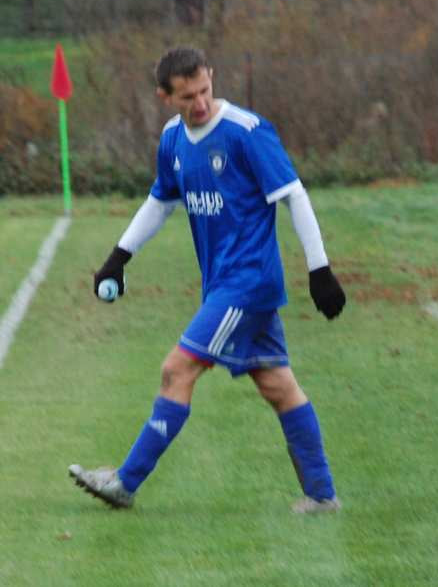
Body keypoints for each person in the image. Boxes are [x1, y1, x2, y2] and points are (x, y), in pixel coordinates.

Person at [69, 47, 346, 514]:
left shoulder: (246, 133)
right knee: (276, 384)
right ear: (165, 96)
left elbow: (294, 196)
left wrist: (319, 270)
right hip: (223, 283)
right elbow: (160, 202)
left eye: (204, 91)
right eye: (186, 96)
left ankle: (124, 482)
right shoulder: (173, 139)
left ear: (211, 79)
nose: (199, 103)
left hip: (248, 282)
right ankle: (322, 497)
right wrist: (118, 258)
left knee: (177, 370)